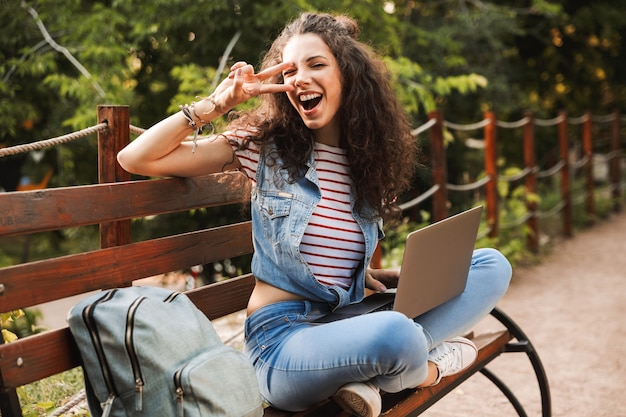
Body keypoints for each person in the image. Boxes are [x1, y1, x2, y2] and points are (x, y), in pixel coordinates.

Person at [117, 12, 512, 417]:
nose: (299, 78)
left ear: (348, 75)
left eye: (316, 65)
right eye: (290, 70)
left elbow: (331, 245)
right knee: (399, 336)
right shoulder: (264, 147)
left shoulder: (366, 159)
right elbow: (134, 158)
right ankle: (426, 367)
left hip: (351, 319)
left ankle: (381, 374)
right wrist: (216, 105)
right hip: (285, 341)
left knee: (490, 265)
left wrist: (360, 274)